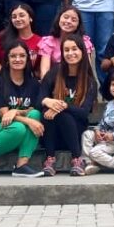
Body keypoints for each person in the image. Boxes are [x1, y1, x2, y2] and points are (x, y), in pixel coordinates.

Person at [0, 42, 45, 178]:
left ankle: (21, 165)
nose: (18, 59)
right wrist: (27, 120)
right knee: (19, 127)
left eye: (22, 56)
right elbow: (4, 116)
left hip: (17, 129)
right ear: (7, 60)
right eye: (13, 56)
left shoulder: (33, 84)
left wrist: (16, 111)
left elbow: (32, 108)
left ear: (27, 59)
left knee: (35, 114)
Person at [38, 33, 99, 176]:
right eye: (66, 50)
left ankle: (77, 158)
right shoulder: (54, 73)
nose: (70, 53)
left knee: (63, 114)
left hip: (76, 133)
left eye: (74, 49)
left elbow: (84, 113)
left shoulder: (89, 81)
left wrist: (63, 106)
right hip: (52, 135)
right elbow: (39, 99)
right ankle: (50, 158)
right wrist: (48, 101)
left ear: (82, 51)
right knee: (48, 114)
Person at [37, 5, 95, 78]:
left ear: (78, 25)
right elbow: (44, 71)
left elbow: (87, 69)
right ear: (59, 18)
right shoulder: (49, 42)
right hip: (54, 81)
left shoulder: (84, 41)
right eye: (66, 17)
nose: (68, 21)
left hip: (78, 81)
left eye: (73, 20)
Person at [0, 2, 42, 75]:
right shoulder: (3, 37)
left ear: (31, 18)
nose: (17, 19)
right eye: (14, 17)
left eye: (22, 15)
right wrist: (8, 76)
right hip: (5, 80)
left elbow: (40, 69)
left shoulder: (40, 41)